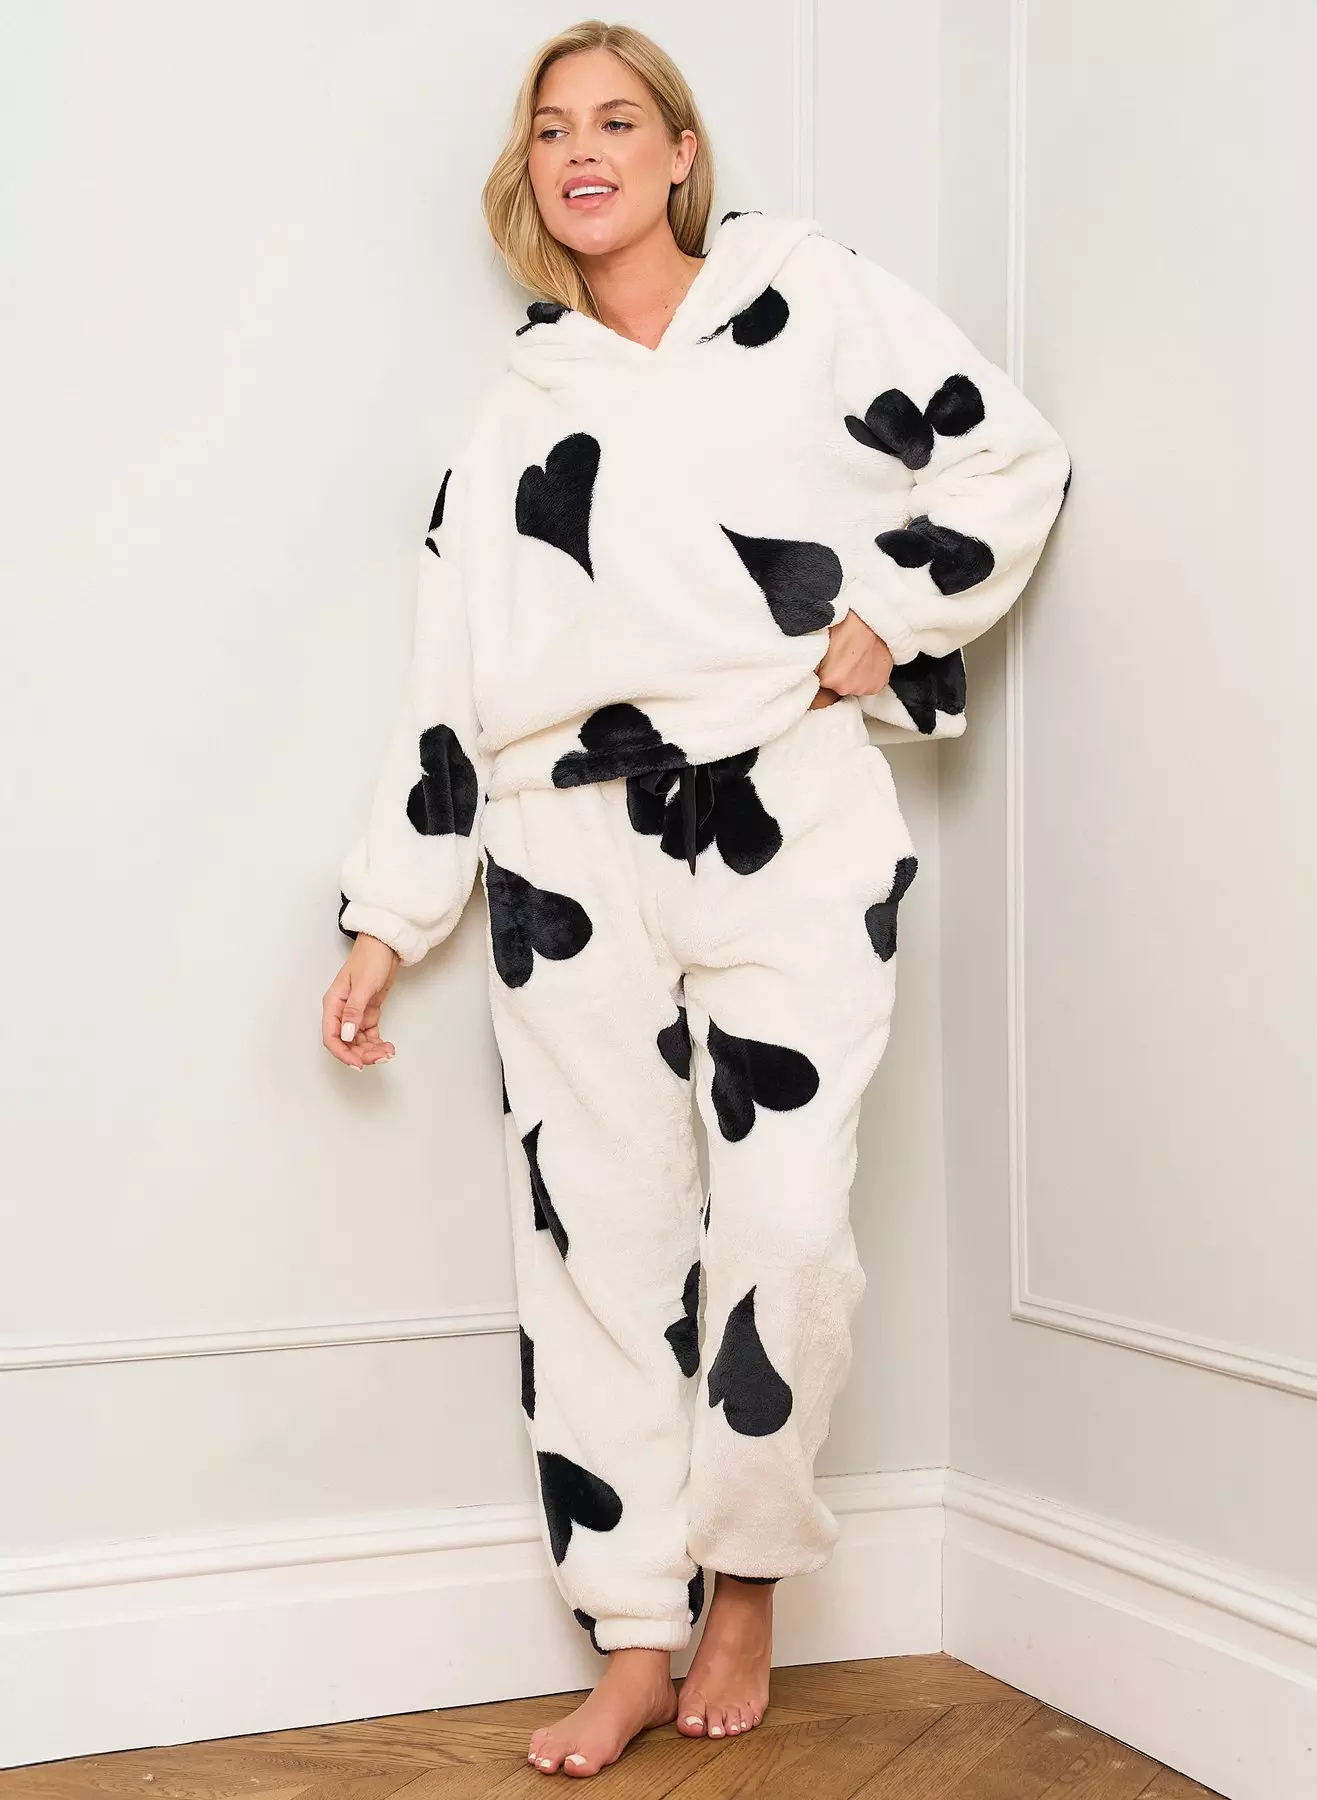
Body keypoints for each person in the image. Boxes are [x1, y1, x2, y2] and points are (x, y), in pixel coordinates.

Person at [321, 17, 1070, 1781]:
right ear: (531, 175)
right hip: (561, 858)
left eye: (616, 121)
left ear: (677, 153)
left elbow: (1007, 455)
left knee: (786, 1224)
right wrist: (387, 916)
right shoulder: (517, 416)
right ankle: (635, 1638)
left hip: (781, 815)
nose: (583, 151)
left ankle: (746, 1580)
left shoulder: (803, 300)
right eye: (551, 129)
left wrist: (889, 618)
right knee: (598, 1250)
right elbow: (448, 688)